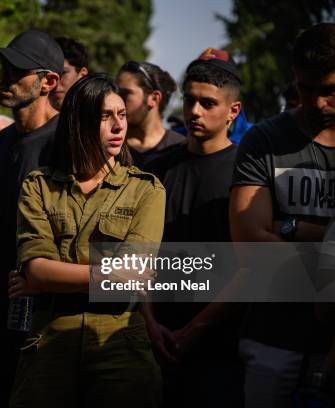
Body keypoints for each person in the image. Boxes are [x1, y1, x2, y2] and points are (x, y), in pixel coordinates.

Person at [7, 73, 164, 407]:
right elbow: (35, 270)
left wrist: (51, 278)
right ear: (78, 122)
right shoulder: (39, 186)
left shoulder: (146, 189)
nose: (118, 125)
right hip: (50, 336)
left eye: (121, 114)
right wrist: (42, 277)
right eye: (105, 116)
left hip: (119, 339)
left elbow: (132, 275)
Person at [230, 23, 335, 407]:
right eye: (307, 89)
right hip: (273, 335)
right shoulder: (265, 140)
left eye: (330, 90)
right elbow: (248, 245)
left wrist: (286, 227)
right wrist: (331, 247)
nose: (318, 103)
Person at [146, 48, 245, 408]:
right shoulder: (156, 168)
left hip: (221, 346)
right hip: (154, 335)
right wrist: (148, 322)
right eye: (189, 100)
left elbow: (252, 267)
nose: (194, 112)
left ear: (233, 111)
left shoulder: (249, 175)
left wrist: (195, 330)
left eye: (208, 103)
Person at [0, 28, 63, 407]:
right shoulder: (1, 142)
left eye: (17, 71)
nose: (5, 78)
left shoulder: (65, 140)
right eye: (4, 68)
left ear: (49, 81)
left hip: (48, 306)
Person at [116, 61, 184, 168]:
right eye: (116, 93)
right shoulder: (109, 146)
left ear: (154, 98)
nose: (117, 100)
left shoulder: (181, 150)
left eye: (125, 94)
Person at [51, 36, 89, 110]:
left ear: (82, 75)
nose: (54, 82)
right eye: (49, 75)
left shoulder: (98, 116)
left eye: (63, 73)